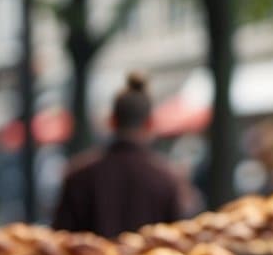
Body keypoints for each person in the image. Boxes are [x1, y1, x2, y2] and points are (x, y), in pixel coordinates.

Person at [54, 73, 184, 237]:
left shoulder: (78, 175)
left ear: (112, 121)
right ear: (150, 123)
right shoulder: (166, 178)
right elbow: (175, 240)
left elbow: (61, 239)